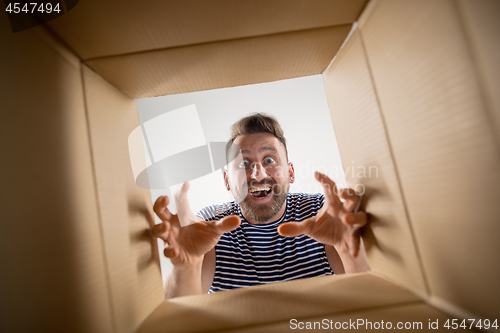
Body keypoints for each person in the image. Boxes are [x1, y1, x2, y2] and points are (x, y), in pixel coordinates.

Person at [151, 113, 370, 299]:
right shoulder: (210, 225)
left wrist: (350, 252)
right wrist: (187, 267)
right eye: (243, 163)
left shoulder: (321, 213)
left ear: (291, 172)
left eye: (269, 160)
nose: (257, 174)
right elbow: (182, 316)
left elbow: (367, 303)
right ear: (227, 180)